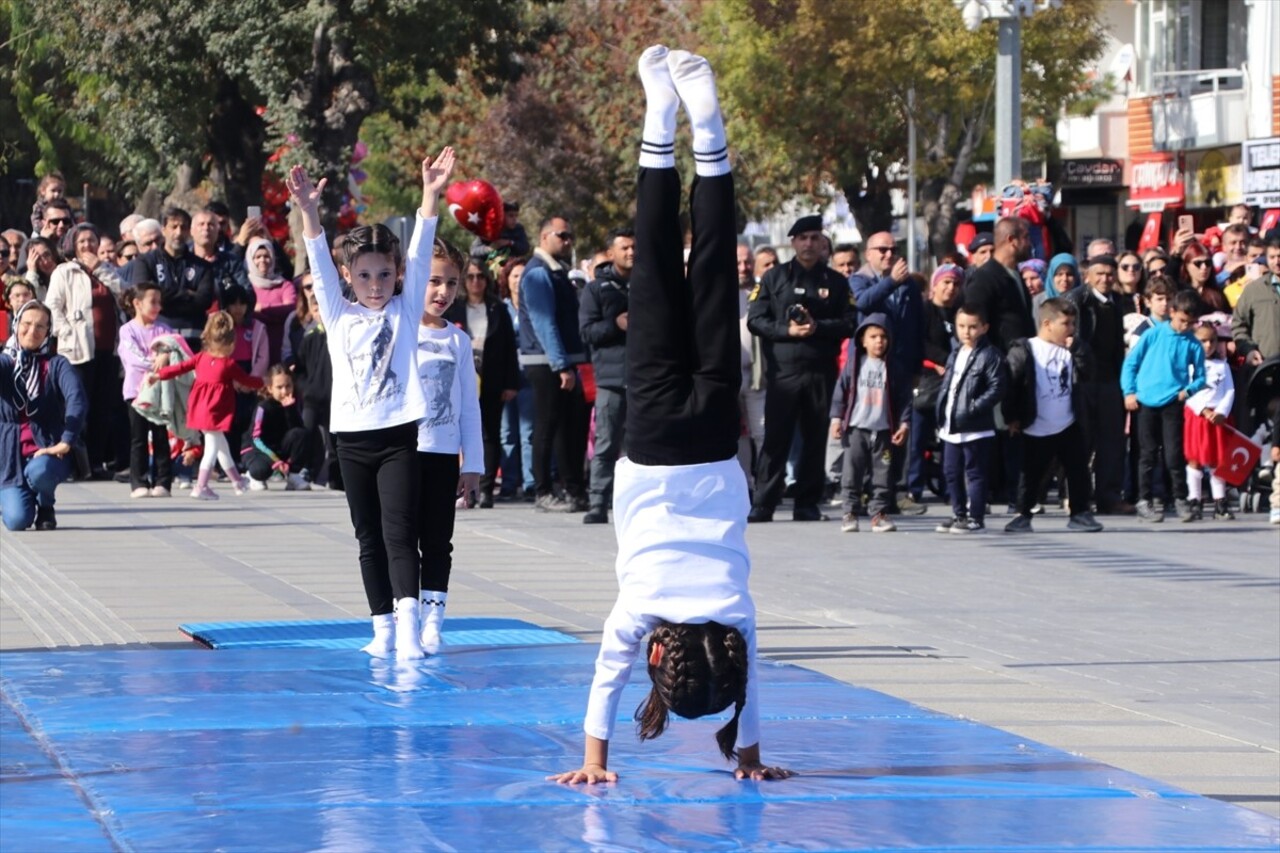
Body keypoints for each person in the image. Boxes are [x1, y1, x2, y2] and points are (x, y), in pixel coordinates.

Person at [550, 46, 789, 785]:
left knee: (714, 271)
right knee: (655, 267)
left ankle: (707, 129)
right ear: (661, 657)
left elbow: (751, 695)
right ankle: (660, 113)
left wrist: (751, 756)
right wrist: (594, 762)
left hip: (717, 436)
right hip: (652, 438)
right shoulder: (639, 610)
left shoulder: (737, 614)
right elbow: (603, 684)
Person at [287, 146, 454, 661]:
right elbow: (317, 257)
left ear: (399, 275)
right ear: (348, 278)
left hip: (399, 436)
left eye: (384, 275)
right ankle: (381, 626)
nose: (375, 285)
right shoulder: (338, 314)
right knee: (367, 537)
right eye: (364, 276)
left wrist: (430, 195)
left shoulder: (405, 310)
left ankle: (409, 628)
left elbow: (424, 250)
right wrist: (308, 212)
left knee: (399, 532)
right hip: (352, 439)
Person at [746, 214, 856, 523]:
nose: (808, 243)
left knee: (814, 438)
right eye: (802, 238)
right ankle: (764, 503)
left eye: (814, 238)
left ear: (822, 243)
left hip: (820, 371)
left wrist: (818, 326)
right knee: (776, 439)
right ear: (793, 242)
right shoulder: (774, 278)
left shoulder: (836, 282)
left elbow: (850, 322)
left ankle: (807, 503)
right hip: (783, 373)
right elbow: (756, 319)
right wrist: (787, 331)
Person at [416, 237, 483, 655]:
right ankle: (403, 616)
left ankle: (433, 620)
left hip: (443, 456)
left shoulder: (457, 341)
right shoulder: (400, 330)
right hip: (403, 453)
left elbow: (470, 409)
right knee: (400, 541)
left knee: (438, 542)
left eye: (452, 284)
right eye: (434, 281)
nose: (443, 292)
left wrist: (472, 463)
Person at [1002, 298, 1104, 533]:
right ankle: (1023, 514)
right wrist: (1012, 417)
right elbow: (1012, 384)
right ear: (1047, 323)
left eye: (1073, 324)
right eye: (1066, 324)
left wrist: (1077, 348)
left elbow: (1089, 371)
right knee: (1031, 473)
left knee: (1078, 470)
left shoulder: (1071, 349)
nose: (1071, 329)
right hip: (1037, 424)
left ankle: (1080, 513)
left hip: (1068, 422)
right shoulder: (1026, 349)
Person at [148, 311, 263, 500]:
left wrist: (158, 375)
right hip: (215, 412)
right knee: (212, 448)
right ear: (231, 343)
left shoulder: (200, 357)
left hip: (199, 409)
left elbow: (179, 368)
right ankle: (201, 486)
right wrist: (263, 382)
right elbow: (246, 380)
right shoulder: (228, 364)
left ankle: (237, 481)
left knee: (221, 446)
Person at [519, 216, 590, 513]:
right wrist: (560, 365)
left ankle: (572, 489)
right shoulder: (537, 273)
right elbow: (543, 321)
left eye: (570, 235)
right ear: (545, 235)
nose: (568, 240)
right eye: (562, 235)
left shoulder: (556, 271)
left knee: (569, 429)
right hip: (546, 362)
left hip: (563, 360)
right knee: (547, 427)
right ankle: (543, 490)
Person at [1121, 291, 1207, 523]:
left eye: (1190, 323)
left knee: (1174, 454)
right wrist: (1129, 392)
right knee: (1147, 454)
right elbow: (1131, 363)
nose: (1184, 326)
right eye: (1181, 321)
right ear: (1172, 313)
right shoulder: (1153, 335)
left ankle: (1180, 498)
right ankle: (1144, 500)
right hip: (1146, 402)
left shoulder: (1193, 344)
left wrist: (1186, 391)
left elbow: (1200, 377)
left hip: (1172, 403)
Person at [0, 302, 86, 531]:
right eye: (26, 324)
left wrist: (66, 440)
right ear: (16, 325)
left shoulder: (57, 364)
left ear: (48, 332)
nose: (32, 331)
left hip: (47, 451)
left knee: (41, 471)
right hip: (9, 457)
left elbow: (77, 399)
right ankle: (18, 495)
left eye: (40, 326)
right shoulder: (5, 363)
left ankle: (46, 503)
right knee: (17, 521)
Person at [46, 223, 122, 480]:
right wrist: (67, 332)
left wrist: (100, 268)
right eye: (82, 242)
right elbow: (53, 308)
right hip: (77, 350)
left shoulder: (108, 270)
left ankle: (97, 462)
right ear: (73, 246)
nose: (88, 246)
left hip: (108, 349)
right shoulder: (64, 271)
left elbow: (127, 296)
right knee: (78, 406)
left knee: (103, 407)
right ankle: (75, 463)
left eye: (92, 241)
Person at [445, 259, 519, 508]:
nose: (476, 281)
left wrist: (510, 382)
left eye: (480, 277)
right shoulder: (454, 308)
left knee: (490, 433)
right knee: (460, 430)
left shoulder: (497, 308)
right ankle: (459, 487)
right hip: (461, 377)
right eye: (471, 277)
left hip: (492, 378)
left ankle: (485, 489)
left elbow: (509, 346)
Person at [829, 315, 911, 533]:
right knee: (852, 473)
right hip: (857, 428)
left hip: (883, 431)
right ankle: (850, 513)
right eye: (873, 336)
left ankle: (879, 513)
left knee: (882, 474)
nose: (879, 341)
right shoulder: (855, 364)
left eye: (883, 337)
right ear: (862, 341)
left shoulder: (894, 368)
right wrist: (836, 419)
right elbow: (841, 392)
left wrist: (904, 424)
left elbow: (904, 399)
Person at [1066, 254, 1132, 515]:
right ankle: (1078, 498)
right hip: (1082, 380)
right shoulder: (1077, 300)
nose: (1105, 279)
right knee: (1081, 442)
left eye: (1109, 274)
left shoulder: (1117, 302)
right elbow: (1071, 339)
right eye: (1099, 274)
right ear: (1088, 276)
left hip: (1109, 380)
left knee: (1111, 442)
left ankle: (1109, 497)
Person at [934, 304, 1008, 534]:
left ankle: (976, 517)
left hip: (975, 426)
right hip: (951, 423)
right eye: (962, 326)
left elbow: (997, 387)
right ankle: (959, 514)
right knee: (950, 471)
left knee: (974, 472)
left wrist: (974, 407)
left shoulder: (990, 355)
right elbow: (949, 385)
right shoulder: (956, 352)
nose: (966, 332)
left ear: (984, 327)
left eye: (973, 327)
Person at [578, 227, 634, 524]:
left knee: (639, 445)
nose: (631, 252)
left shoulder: (648, 283)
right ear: (611, 253)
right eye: (624, 247)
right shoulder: (596, 289)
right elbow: (587, 332)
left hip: (644, 379)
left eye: (634, 247)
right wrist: (616, 324)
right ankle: (598, 502)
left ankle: (635, 502)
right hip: (611, 379)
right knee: (606, 443)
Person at [126, 208, 216, 353]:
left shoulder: (202, 266)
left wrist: (163, 297)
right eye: (174, 227)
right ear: (163, 230)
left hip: (193, 343)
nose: (179, 233)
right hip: (157, 342)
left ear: (189, 231)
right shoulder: (146, 261)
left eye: (183, 227)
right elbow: (144, 296)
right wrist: (187, 294)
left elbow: (204, 301)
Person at [117, 282, 176, 498]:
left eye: (159, 302)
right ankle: (139, 482)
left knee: (161, 436)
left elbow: (176, 350)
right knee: (138, 438)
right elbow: (133, 360)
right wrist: (158, 361)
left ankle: (163, 481)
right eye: (153, 302)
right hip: (136, 391)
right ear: (137, 303)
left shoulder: (165, 329)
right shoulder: (127, 330)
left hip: (161, 391)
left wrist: (167, 355)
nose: (157, 307)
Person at [1182, 322, 1236, 522]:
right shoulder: (1189, 365)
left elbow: (1229, 390)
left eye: (1211, 340)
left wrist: (1221, 411)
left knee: (1217, 459)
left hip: (1218, 419)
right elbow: (1187, 391)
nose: (1208, 345)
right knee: (1195, 458)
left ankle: (1220, 501)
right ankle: (1194, 500)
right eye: (1202, 341)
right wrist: (1203, 409)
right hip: (1198, 418)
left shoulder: (1223, 365)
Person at [964, 216, 1035, 353]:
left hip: (1023, 364)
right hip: (1000, 367)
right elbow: (974, 328)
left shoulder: (1016, 275)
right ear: (1011, 240)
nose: (1029, 243)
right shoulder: (984, 278)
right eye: (1025, 237)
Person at [498, 257, 535, 500]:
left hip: (530, 376)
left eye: (523, 275)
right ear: (506, 280)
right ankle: (509, 484)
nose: (518, 280)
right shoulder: (501, 308)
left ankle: (531, 483)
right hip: (505, 378)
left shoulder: (534, 306)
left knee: (529, 431)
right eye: (514, 276)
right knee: (506, 432)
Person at [242, 364, 311, 491]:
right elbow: (256, 439)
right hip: (258, 450)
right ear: (270, 388)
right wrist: (275, 461)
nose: (284, 391)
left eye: (288, 386)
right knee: (261, 471)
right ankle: (253, 476)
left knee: (302, 434)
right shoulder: (263, 408)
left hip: (279, 448)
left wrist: (290, 410)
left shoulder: (292, 405)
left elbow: (299, 434)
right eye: (279, 387)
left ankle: (293, 476)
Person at [245, 236, 297, 365]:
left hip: (279, 345)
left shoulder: (284, 285)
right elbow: (246, 312)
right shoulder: (246, 285)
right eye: (257, 257)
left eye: (266, 256)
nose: (263, 260)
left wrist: (261, 308)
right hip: (252, 346)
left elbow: (290, 309)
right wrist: (275, 313)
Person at [1231, 236, 1280, 367]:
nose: (1277, 262)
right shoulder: (1254, 290)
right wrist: (1248, 351)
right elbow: (1238, 325)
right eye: (1272, 257)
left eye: (1279, 256)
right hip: (1265, 368)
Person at [1180, 242, 1228, 315]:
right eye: (1198, 263)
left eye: (1208, 263)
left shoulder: (1218, 294)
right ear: (1187, 266)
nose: (1204, 267)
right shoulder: (1179, 291)